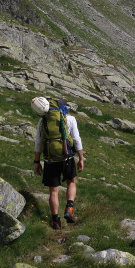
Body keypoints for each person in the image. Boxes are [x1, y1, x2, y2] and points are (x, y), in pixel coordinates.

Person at [31, 96, 85, 230]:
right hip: (67, 158)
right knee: (71, 182)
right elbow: (77, 139)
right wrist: (81, 158)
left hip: (50, 160)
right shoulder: (70, 119)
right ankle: (69, 208)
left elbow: (38, 142)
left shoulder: (42, 121)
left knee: (53, 191)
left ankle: (56, 221)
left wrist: (37, 161)